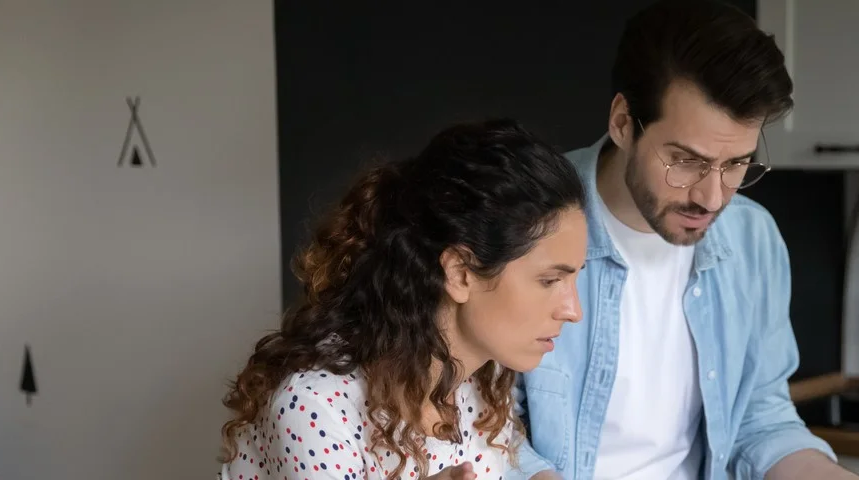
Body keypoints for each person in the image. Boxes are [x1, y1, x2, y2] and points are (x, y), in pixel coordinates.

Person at [507, 1, 859, 479]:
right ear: (622, 122)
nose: (712, 197)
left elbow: (761, 423)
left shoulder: (752, 239)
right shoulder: (517, 222)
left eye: (736, 163)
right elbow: (479, 427)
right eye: (686, 161)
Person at [219, 118, 589, 480]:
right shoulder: (315, 407)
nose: (573, 311)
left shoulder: (485, 382)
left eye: (574, 279)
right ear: (460, 273)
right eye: (550, 280)